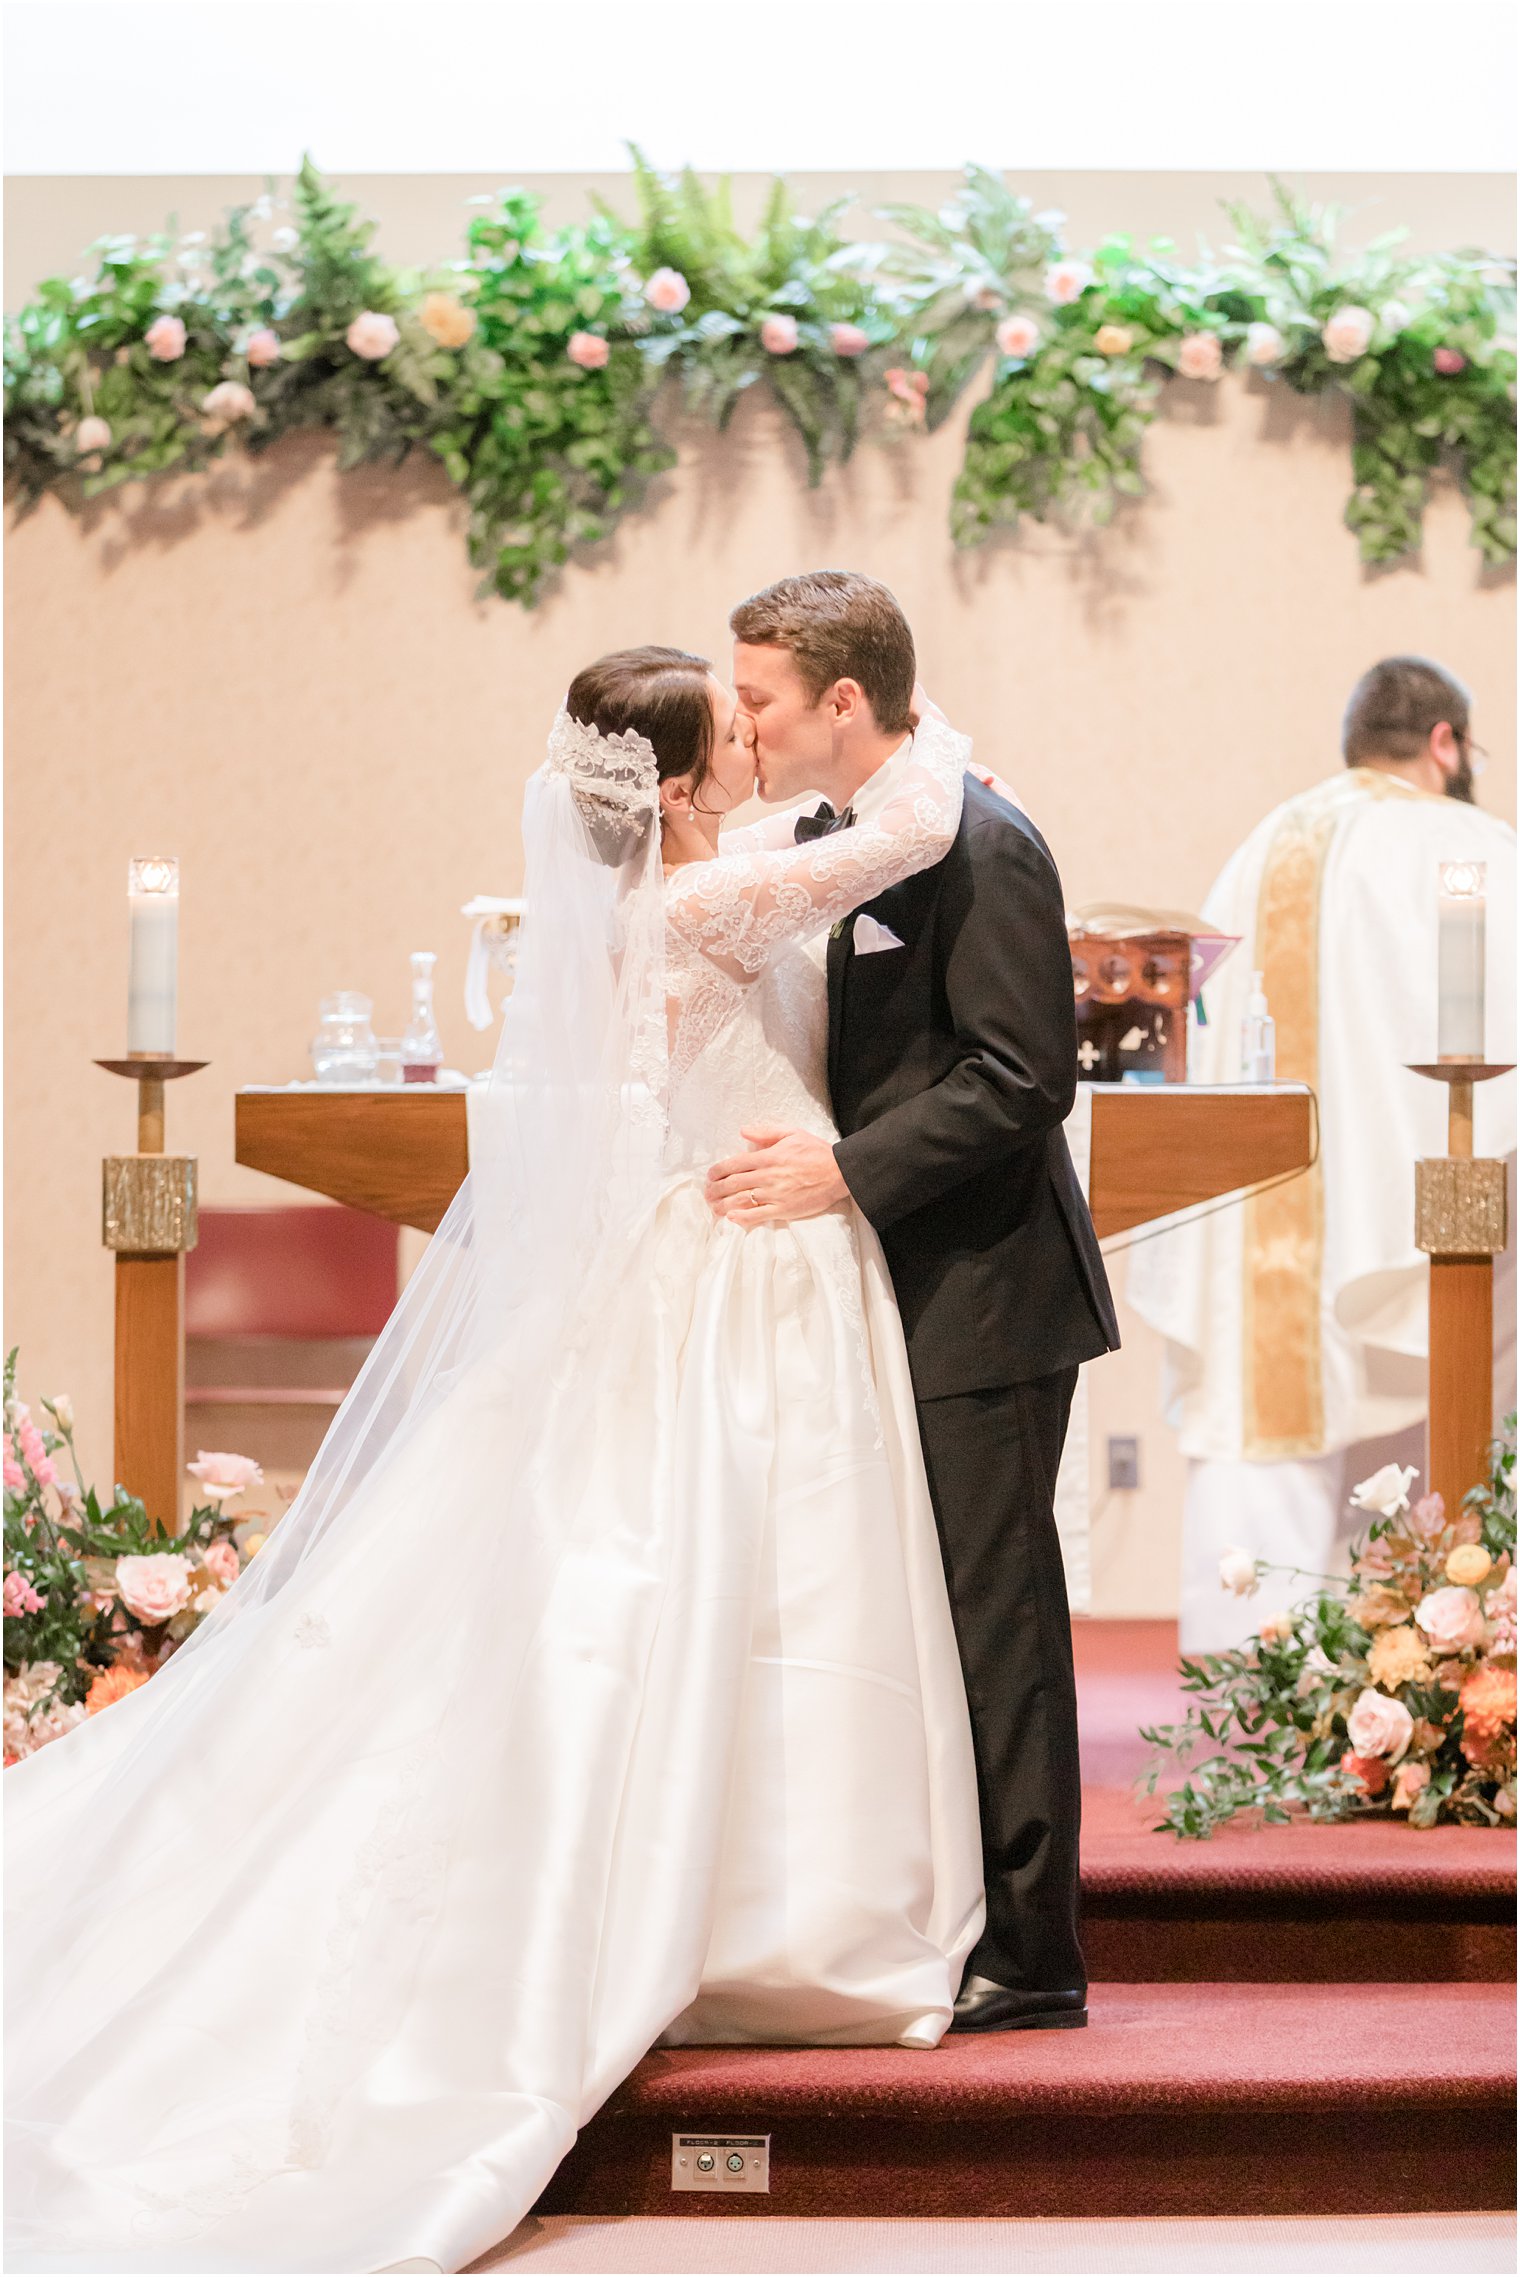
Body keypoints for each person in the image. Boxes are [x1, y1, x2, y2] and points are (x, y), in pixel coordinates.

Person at [5, 644, 989, 2275]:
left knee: (745, 1599)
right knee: (715, 1590)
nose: (759, 741)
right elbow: (907, 836)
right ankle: (757, 1920)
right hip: (733, 1276)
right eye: (736, 731)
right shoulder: (689, 910)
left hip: (743, 1256)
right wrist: (913, 713)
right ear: (673, 787)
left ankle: (773, 1900)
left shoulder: (695, 886)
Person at [705, 571, 1120, 2036]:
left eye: (755, 696)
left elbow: (1024, 1076)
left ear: (839, 701)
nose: (738, 722)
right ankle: (949, 1903)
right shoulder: (844, 844)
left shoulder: (984, 842)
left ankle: (1034, 1947)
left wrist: (842, 1175)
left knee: (998, 1614)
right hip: (899, 1282)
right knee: (929, 1611)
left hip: (990, 1288)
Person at [1128, 655, 1516, 1653]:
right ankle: (1434, 1658)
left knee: (1274, 1392)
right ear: (1443, 743)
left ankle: (1253, 1675)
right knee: (1439, 1382)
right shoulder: (1467, 842)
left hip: (1261, 1200)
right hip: (1432, 1199)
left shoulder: (1258, 849)